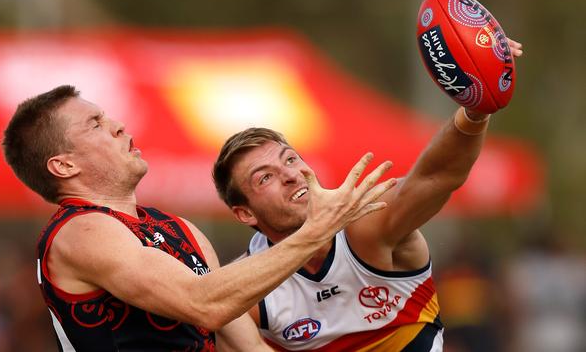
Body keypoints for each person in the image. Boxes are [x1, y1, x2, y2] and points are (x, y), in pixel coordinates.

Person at [1, 85, 395, 351]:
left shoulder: (179, 229)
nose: (118, 125)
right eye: (96, 125)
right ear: (64, 164)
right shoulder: (78, 231)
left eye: (106, 117)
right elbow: (204, 303)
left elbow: (249, 346)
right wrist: (318, 229)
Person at [212, 41, 524, 351]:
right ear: (245, 213)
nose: (291, 175)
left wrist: (475, 111)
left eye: (290, 159)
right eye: (265, 177)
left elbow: (438, 175)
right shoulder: (244, 292)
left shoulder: (366, 220)